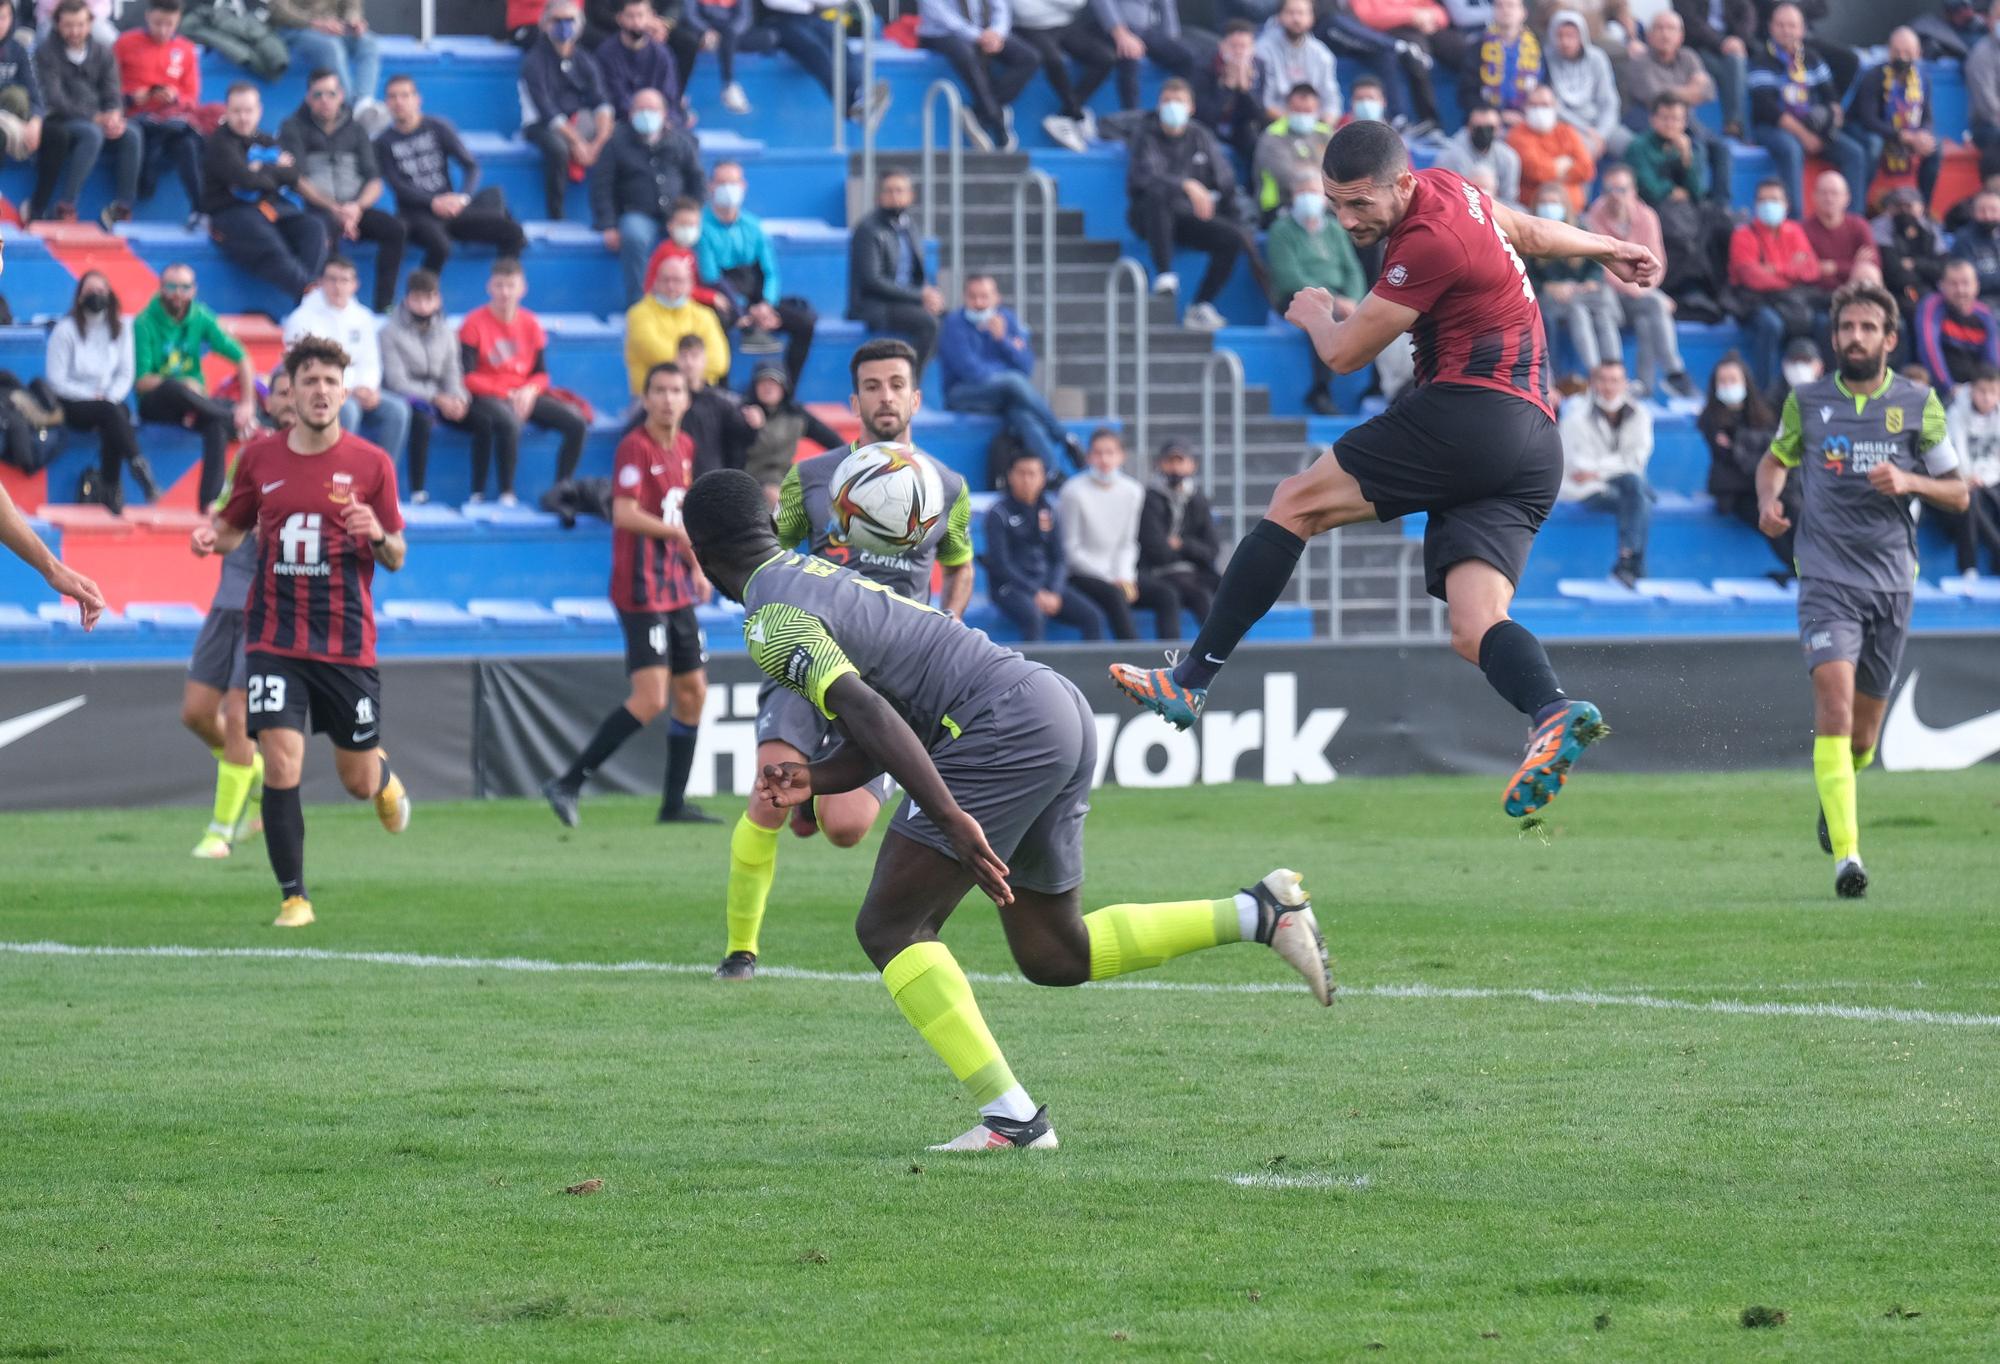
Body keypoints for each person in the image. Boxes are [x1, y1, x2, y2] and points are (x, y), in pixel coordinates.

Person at [685, 464, 1331, 1148]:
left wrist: (951, 818)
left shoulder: (770, 620)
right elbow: (885, 719)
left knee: (890, 928)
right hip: (1052, 706)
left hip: (1002, 727)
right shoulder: (815, 577)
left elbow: (871, 711)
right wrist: (815, 777)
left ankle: (1013, 1120)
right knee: (1054, 952)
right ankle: (1259, 912)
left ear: (698, 551)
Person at [1111, 121, 1663, 819]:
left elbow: (1344, 356)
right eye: (1335, 203)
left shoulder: (1427, 240)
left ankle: (1189, 679)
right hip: (1532, 444)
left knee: (1294, 503)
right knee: (1475, 624)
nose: (1345, 220)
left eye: (1359, 205)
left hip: (1471, 411)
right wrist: (1608, 247)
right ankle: (1551, 710)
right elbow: (1524, 229)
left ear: (1400, 185)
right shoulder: (1455, 189)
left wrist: (1315, 313)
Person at [714, 338, 974, 983]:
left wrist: (952, 620)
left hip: (892, 676)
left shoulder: (947, 486)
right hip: (810, 653)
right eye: (872, 385)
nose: (885, 396)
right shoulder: (815, 477)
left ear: (915, 396)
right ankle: (740, 952)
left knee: (846, 828)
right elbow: (774, 553)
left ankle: (816, 798)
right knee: (769, 793)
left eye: (896, 384)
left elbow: (958, 563)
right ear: (854, 399)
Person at [1754, 281, 1968, 898]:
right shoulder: (1808, 401)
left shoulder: (1919, 403)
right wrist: (1769, 499)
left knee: (1863, 739)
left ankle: (1836, 792)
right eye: (1847, 327)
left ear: (1889, 339)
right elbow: (1775, 460)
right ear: (1835, 334)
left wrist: (1909, 480)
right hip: (1825, 577)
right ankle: (1849, 858)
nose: (1855, 337)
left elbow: (1958, 491)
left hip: (1892, 583)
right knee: (1835, 709)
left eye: (1867, 328)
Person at [192, 335, 412, 929]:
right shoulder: (260, 458)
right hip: (275, 638)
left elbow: (397, 554)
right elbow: (235, 527)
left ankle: (384, 777)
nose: (320, 392)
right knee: (282, 763)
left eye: (330, 382)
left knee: (357, 782)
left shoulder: (373, 464)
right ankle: (295, 897)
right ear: (289, 389)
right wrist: (213, 537)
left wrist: (378, 536)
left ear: (345, 390)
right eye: (308, 381)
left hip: (344, 642)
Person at [543, 362, 717, 827]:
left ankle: (673, 804)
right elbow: (623, 513)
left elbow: (676, 514)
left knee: (694, 691)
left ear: (687, 399)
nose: (666, 399)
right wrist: (678, 535)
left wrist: (695, 567)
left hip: (674, 585)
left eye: (675, 390)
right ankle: (568, 781)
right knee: (651, 698)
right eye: (658, 390)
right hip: (639, 589)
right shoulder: (633, 447)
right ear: (646, 398)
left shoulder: (685, 447)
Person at [1126, 79, 1262, 332]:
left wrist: (1217, 201)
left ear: (1191, 107)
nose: (1172, 107)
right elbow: (1143, 177)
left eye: (1178, 102)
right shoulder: (1146, 134)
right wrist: (1186, 185)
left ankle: (1200, 305)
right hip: (1149, 216)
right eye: (1167, 101)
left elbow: (1224, 178)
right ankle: (1165, 273)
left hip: (1189, 216)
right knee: (1158, 194)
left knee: (1233, 238)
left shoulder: (1200, 136)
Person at [182, 463, 266, 862]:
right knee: (196, 713)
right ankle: (254, 770)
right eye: (281, 393)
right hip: (225, 602)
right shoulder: (252, 458)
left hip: (268, 608)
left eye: (290, 393)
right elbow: (221, 517)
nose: (287, 399)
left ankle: (220, 832)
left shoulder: (315, 463)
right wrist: (208, 534)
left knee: (239, 717)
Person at [459, 257, 589, 502]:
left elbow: (541, 373)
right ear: (489, 287)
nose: (505, 292)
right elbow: (467, 377)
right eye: (499, 285)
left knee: (577, 423)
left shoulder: (531, 323)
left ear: (523, 288)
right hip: (488, 394)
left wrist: (529, 390)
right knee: (509, 422)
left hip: (523, 393)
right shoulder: (473, 323)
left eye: (511, 285)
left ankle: (561, 488)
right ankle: (507, 492)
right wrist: (506, 393)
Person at [375, 74, 528, 277]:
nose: (399, 102)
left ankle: (502, 289)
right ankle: (421, 300)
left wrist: (462, 198)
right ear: (386, 103)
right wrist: (433, 202)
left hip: (452, 208)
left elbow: (471, 166)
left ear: (417, 99)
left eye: (405, 95)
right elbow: (397, 185)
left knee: (514, 233)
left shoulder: (438, 127)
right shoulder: (383, 142)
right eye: (393, 97)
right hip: (415, 215)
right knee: (441, 246)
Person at [280, 68, 405, 316]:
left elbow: (375, 180)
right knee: (320, 234)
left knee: (396, 230)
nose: (325, 100)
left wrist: (356, 208)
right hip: (319, 210)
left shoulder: (356, 129)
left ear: (341, 95)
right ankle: (323, 308)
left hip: (354, 208)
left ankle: (384, 305)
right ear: (308, 98)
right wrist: (334, 209)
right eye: (318, 94)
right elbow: (298, 180)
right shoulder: (293, 127)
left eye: (331, 93)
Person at [134, 262, 259, 508]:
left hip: (195, 405)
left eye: (185, 287)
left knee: (215, 426)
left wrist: (248, 403)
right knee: (175, 388)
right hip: (157, 404)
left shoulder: (200, 315)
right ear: (161, 288)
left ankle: (209, 504)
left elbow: (242, 357)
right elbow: (142, 382)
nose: (178, 293)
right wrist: (184, 383)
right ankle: (229, 415)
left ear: (194, 290)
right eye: (172, 286)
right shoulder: (144, 322)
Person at [938, 274, 1078, 474]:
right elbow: (971, 372)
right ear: (964, 297)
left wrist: (1003, 339)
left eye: (984, 296)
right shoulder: (954, 324)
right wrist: (1005, 374)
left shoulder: (1007, 320)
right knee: (1013, 382)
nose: (978, 303)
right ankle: (1064, 437)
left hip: (1003, 395)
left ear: (997, 298)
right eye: (973, 296)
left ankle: (1053, 472)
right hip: (962, 395)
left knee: (1020, 413)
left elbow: (1026, 366)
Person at [202, 83, 328, 303]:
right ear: (227, 111)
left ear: (259, 111)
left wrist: (261, 167)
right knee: (270, 244)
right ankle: (312, 297)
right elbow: (247, 181)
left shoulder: (265, 140)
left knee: (314, 229)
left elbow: (292, 173)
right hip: (230, 213)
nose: (243, 117)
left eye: (248, 111)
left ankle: (307, 295)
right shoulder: (219, 144)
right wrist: (273, 167)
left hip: (270, 208)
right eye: (237, 111)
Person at [699, 160, 817, 388]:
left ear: (743, 186)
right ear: (711, 186)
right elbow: (710, 276)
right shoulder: (702, 226)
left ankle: (786, 390)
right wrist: (743, 309)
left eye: (733, 182)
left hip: (757, 298)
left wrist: (766, 305)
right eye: (722, 182)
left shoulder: (753, 225)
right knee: (714, 322)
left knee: (805, 322)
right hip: (726, 299)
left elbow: (770, 271)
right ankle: (723, 394)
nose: (728, 188)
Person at [282, 257, 411, 466]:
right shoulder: (302, 318)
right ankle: (336, 474)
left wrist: (368, 387)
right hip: (321, 391)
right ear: (321, 282)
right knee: (348, 410)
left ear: (355, 285)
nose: (338, 287)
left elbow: (370, 360)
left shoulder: (363, 317)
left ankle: (383, 479)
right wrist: (347, 389)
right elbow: (305, 367)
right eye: (332, 280)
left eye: (344, 280)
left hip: (358, 390)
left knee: (397, 411)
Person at [1582, 165, 1696, 398]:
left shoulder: (1647, 217)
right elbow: (1601, 267)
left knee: (1650, 316)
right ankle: (1612, 378)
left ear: (1633, 191)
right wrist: (1641, 290)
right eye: (1610, 189)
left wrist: (1648, 289)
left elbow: (1657, 262)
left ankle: (1671, 374)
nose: (1616, 195)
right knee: (1610, 306)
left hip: (1639, 293)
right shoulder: (1593, 217)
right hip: (1610, 292)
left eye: (1622, 189)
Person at [1058, 427, 1181, 639]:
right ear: (1088, 457)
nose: (1104, 459)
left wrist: (1124, 575)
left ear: (1121, 456)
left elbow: (1128, 542)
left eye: (1110, 452)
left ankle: (1172, 666)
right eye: (1098, 453)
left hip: (1120, 572)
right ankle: (1131, 665)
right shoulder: (1072, 491)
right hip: (1083, 573)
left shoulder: (1133, 490)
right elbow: (1071, 550)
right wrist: (1110, 578)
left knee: (1167, 595)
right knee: (1115, 596)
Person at [1748, 2, 1867, 218]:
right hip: (1774, 128)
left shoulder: (1812, 58)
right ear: (1771, 28)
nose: (1787, 31)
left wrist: (1830, 123)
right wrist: (1804, 135)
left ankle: (1852, 222)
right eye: (1781, 25)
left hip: (1811, 127)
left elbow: (1831, 97)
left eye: (1792, 26)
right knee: (1791, 149)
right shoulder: (1761, 59)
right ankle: (1795, 223)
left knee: (1855, 153)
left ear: (1802, 29)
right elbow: (1769, 110)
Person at [380, 270, 486, 507]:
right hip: (409, 397)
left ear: (438, 299)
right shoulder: (389, 332)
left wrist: (458, 399)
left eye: (429, 298)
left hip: (442, 396)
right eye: (417, 299)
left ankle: (479, 493)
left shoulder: (447, 332)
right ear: (407, 299)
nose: (423, 305)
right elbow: (397, 381)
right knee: (421, 419)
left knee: (484, 420)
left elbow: (453, 371)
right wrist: (438, 398)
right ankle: (418, 492)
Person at [30, 0, 140, 227]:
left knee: (132, 134)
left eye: (80, 25)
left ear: (90, 23)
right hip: (61, 120)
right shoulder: (46, 53)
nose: (74, 31)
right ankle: (66, 205)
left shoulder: (102, 52)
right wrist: (94, 117)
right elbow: (55, 99)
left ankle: (123, 207)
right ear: (57, 25)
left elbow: (112, 90)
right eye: (69, 25)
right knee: (92, 134)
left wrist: (114, 114)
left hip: (98, 118)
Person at [592, 87, 704, 307]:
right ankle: (639, 304)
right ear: (631, 113)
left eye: (652, 109)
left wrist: (696, 211)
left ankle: (696, 304)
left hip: (678, 215)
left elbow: (697, 178)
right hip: (637, 213)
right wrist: (608, 224)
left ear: (664, 113)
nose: (646, 114)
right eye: (641, 109)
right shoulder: (616, 143)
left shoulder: (680, 142)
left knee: (705, 238)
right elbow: (601, 186)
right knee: (634, 236)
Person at [1267, 167, 1365, 415]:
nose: (1309, 197)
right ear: (1293, 195)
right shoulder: (1281, 230)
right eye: (1304, 192)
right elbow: (1290, 276)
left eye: (1315, 192)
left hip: (1340, 297)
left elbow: (1353, 270)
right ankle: (1320, 392)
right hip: (1297, 297)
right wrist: (1332, 301)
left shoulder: (1334, 229)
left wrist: (1352, 299)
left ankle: (1375, 388)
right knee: (1319, 315)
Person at [48, 270, 146, 514]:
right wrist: (91, 396)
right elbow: (56, 380)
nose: (96, 296)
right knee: (112, 414)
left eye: (101, 291)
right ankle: (131, 469)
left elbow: (125, 374)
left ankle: (112, 485)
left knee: (115, 413)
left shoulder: (122, 329)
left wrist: (108, 397)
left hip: (108, 401)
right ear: (79, 297)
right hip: (72, 401)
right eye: (90, 291)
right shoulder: (65, 330)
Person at [984, 448, 1106, 640]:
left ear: (1042, 478)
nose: (1027, 480)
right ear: (1010, 476)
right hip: (1010, 587)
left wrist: (1055, 591)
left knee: (1093, 616)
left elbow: (1059, 558)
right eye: (1021, 473)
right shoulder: (998, 514)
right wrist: (1036, 592)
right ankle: (1030, 671)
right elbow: (1001, 564)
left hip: (1047, 586)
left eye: (1033, 474)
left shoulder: (1050, 510)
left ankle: (1092, 669)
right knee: (1033, 616)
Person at [1557, 357, 1654, 586]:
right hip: (1584, 488)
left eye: (1615, 380)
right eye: (1603, 380)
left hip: (1618, 482)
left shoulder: (1640, 414)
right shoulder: (1575, 417)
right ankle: (1632, 563)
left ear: (1625, 384)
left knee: (1633, 485)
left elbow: (1637, 460)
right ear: (1593, 383)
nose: (1609, 387)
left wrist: (1598, 470)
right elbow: (1578, 467)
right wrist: (1613, 467)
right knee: (1640, 498)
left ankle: (1627, 563)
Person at [1620, 9, 1732, 199]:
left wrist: (1678, 92)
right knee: (1697, 149)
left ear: (1680, 36)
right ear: (1648, 35)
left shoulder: (1688, 57)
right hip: (1651, 122)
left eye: (1671, 29)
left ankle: (1720, 205)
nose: (1665, 34)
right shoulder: (1640, 62)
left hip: (1685, 120)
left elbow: (1708, 91)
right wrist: (1692, 89)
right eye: (1659, 28)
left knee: (1722, 149)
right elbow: (1657, 98)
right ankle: (1698, 201)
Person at [1698, 350, 1794, 573]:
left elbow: (1773, 451)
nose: (1727, 385)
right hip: (1737, 492)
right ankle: (1795, 568)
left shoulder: (1764, 413)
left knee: (1795, 507)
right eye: (1722, 381)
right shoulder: (1710, 418)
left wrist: (1738, 444)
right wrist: (1755, 453)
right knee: (1769, 516)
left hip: (1768, 486)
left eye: (1732, 380)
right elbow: (1730, 460)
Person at [114, 0, 208, 224]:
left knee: (188, 143)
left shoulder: (185, 50)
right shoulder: (125, 43)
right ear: (147, 17)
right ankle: (130, 199)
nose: (164, 30)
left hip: (170, 122)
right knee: (146, 132)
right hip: (135, 118)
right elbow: (107, 89)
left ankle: (200, 210)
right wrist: (132, 97)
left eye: (170, 24)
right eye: (158, 23)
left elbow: (191, 97)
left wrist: (174, 96)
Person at [520, 0, 614, 221]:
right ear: (544, 24)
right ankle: (556, 215)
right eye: (557, 20)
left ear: (580, 25)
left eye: (569, 20)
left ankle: (609, 213)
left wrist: (599, 142)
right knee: (558, 149)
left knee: (617, 140)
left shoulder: (585, 59)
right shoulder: (534, 62)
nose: (564, 26)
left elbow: (601, 102)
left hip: (580, 121)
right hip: (541, 125)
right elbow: (547, 111)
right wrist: (578, 143)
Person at [847, 170, 946, 366]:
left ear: (911, 195)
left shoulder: (909, 226)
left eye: (900, 190)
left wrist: (929, 297)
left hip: (905, 301)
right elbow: (872, 280)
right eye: (889, 191)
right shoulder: (868, 229)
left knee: (949, 318)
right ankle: (908, 385)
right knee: (928, 324)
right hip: (874, 303)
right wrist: (919, 296)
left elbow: (916, 274)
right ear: (879, 196)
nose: (895, 196)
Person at [1730, 178, 1822, 386]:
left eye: (1774, 199)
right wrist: (1791, 272)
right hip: (1755, 302)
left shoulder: (1795, 231)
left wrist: (1774, 270)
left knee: (1823, 322)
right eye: (1762, 200)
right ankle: (1764, 393)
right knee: (1771, 325)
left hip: (1790, 301)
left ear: (1786, 205)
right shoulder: (1743, 234)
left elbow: (1812, 270)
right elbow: (1753, 278)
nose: (1768, 205)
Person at [917, 0, 1039, 153]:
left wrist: (997, 33)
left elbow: (1001, 8)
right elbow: (940, 15)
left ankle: (980, 112)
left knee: (1029, 58)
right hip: (941, 32)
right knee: (966, 56)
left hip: (986, 32)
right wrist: (978, 36)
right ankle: (996, 118)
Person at [1529, 184, 1620, 377]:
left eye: (1554, 203)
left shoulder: (1580, 228)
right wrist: (1548, 286)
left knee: (1602, 312)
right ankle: (1596, 372)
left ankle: (1614, 368)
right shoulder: (1529, 233)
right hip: (1548, 297)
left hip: (1580, 293)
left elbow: (1596, 264)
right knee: (1577, 310)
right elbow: (1525, 273)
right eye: (1544, 203)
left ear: (1565, 205)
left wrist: (1591, 281)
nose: (1548, 207)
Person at [757, 0, 890, 127]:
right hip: (778, 20)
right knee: (817, 51)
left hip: (810, 17)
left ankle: (860, 96)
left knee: (839, 43)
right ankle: (852, 107)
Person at [1853, 28, 1940, 210]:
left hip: (1907, 133)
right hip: (1877, 132)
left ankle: (1922, 208)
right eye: (1897, 52)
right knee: (1873, 144)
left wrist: (1924, 135)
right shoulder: (1874, 76)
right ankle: (1859, 207)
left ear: (1918, 54)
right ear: (1889, 51)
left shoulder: (1923, 78)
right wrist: (1902, 136)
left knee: (1935, 148)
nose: (1901, 57)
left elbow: (1927, 117)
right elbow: (1869, 119)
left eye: (1907, 53)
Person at [1139, 439, 1220, 626]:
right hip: (1157, 573)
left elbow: (1212, 550)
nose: (1175, 468)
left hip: (1194, 571)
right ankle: (1184, 654)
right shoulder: (1149, 499)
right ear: (1159, 464)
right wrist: (1191, 550)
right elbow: (1156, 550)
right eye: (1170, 461)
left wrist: (1182, 544)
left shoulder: (1199, 500)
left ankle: (1240, 650)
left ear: (1192, 465)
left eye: (1180, 461)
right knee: (1195, 595)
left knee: (1231, 589)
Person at [1016, 0, 1115, 153]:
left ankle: (1066, 114)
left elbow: (1077, 3)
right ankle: (1076, 113)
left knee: (1105, 58)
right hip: (1029, 28)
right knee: (1054, 60)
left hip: (1065, 25)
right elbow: (1023, 10)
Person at [268, 0, 382, 129]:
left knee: (367, 43)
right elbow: (278, 10)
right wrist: (314, 23)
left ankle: (363, 104)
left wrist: (353, 21)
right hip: (294, 28)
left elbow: (352, 5)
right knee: (331, 47)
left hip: (334, 27)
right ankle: (349, 109)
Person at [627, 254, 729, 394]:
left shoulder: (705, 315)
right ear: (655, 282)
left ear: (690, 284)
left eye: (678, 280)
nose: (671, 286)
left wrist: (685, 373)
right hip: (653, 399)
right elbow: (653, 353)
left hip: (701, 394)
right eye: (665, 280)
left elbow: (719, 361)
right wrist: (694, 368)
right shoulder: (638, 314)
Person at [738, 363, 843, 499]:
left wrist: (852, 456)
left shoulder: (796, 415)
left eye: (774, 382)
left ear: (784, 387)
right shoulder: (742, 412)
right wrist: (753, 428)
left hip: (785, 476)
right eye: (763, 382)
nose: (768, 387)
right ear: (754, 387)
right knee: (775, 496)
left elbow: (832, 440)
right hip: (750, 479)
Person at [1915, 259, 2000, 402]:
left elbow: (1992, 360)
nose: (1960, 290)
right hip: (1941, 391)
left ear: (1976, 286)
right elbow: (1929, 350)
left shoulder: (1985, 315)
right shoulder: (1932, 306)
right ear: (1941, 285)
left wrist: (1989, 390)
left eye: (1965, 283)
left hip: (1976, 393)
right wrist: (1949, 388)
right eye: (1953, 284)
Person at [1943, 363, 2000, 574]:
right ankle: (1969, 568)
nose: (1987, 397)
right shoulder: (1957, 411)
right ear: (1972, 390)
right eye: (1982, 391)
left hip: (1989, 478)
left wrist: (1985, 477)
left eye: (1993, 392)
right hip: (1961, 479)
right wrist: (1967, 476)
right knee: (1970, 498)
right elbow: (1956, 450)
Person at [1542, 8, 1621, 160]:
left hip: (1599, 123)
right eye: (1560, 36)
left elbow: (1609, 101)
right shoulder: (1546, 59)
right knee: (1583, 150)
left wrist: (1600, 133)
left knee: (1631, 146)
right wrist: (1586, 131)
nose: (1565, 42)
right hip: (1566, 125)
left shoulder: (1597, 58)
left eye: (1571, 36)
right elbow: (1554, 107)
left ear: (1581, 36)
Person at [1509, 83, 1594, 218]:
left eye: (1545, 105)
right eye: (1534, 105)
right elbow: (1535, 170)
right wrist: (1564, 165)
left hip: (1573, 215)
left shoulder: (1567, 131)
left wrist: (1549, 168)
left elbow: (1586, 169)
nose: (1539, 109)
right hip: (1532, 214)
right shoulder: (1517, 135)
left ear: (1554, 106)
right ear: (1525, 107)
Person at [1252, 83, 1332, 224]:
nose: (1302, 115)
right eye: (1297, 110)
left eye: (1307, 111)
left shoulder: (1325, 134)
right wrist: (1317, 175)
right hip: (1280, 204)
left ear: (1317, 110)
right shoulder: (1272, 135)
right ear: (1287, 109)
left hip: (1323, 201)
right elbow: (1288, 177)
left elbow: (1338, 171)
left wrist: (1305, 170)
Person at [677, 333, 755, 476]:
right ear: (676, 360)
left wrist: (754, 425)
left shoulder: (720, 402)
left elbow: (743, 438)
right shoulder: (665, 401)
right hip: (675, 479)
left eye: (694, 356)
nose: (689, 363)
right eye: (683, 356)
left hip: (710, 480)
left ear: (704, 360)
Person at [1097, 0, 1198, 111]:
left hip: (1143, 30)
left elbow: (1167, 8)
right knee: (1130, 55)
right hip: (1111, 29)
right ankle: (1132, 116)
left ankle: (1176, 110)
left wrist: (1170, 42)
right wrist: (1120, 33)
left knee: (1185, 58)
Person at [1875, 185, 1947, 337]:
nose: (1904, 211)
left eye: (1909, 206)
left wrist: (1914, 263)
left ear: (1921, 207)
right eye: (1899, 206)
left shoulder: (1931, 229)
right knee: (1912, 310)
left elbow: (1942, 269)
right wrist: (1925, 269)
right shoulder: (1881, 228)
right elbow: (1893, 272)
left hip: (1930, 289)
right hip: (1895, 291)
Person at [1194, 19, 1268, 165]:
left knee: (1258, 143)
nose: (1239, 52)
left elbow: (1258, 115)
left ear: (1252, 49)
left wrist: (1244, 89)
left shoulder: (1259, 66)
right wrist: (1227, 87)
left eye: (1244, 47)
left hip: (1239, 126)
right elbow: (1203, 115)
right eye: (1234, 46)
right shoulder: (1204, 65)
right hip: (1209, 126)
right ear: (1222, 46)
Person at [594, 0, 683, 122]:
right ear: (620, 18)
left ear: (651, 16)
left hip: (659, 121)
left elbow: (669, 95)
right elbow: (613, 98)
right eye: (630, 16)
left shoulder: (662, 54)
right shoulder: (605, 54)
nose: (636, 23)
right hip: (621, 122)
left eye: (640, 15)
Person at [1673, 0, 1753, 136]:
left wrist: (1738, 40)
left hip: (1730, 47)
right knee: (1725, 70)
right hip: (1699, 46)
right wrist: (1721, 42)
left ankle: (1733, 123)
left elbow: (1748, 13)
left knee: (1736, 61)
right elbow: (1690, 21)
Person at [1255, 0, 1339, 119]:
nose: (1296, 19)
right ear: (1279, 16)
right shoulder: (1262, 50)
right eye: (1290, 13)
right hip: (1273, 124)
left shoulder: (1322, 55)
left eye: (1301, 13)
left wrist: (1323, 125)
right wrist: (1293, 122)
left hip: (1313, 125)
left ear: (1312, 18)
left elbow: (1331, 101)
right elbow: (1264, 102)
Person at [1459, 0, 1540, 123]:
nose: (1505, 11)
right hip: (1489, 121)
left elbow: (1544, 88)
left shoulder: (1537, 46)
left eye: (1511, 6)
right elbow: (1467, 93)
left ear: (1524, 12)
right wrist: (1498, 113)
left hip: (1529, 121)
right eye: (1499, 6)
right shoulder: (1478, 47)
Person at [1435, 104, 1521, 208]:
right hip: (1459, 210)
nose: (1484, 133)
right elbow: (1441, 196)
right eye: (1478, 128)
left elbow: (1509, 199)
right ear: (1469, 128)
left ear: (1498, 129)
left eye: (1490, 128)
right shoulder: (1449, 156)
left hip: (1498, 213)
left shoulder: (1508, 157)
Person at [676, 0, 753, 116]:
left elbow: (744, 18)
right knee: (687, 41)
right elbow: (690, 15)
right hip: (701, 32)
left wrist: (729, 34)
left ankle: (729, 85)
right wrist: (705, 30)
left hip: (730, 34)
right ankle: (679, 93)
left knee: (767, 38)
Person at [0, 0, 44, 176]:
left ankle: (38, 204)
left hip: (12, 115)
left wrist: (36, 121)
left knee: (57, 135)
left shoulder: (17, 49)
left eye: (3, 17)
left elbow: (35, 91)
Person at [1953, 190, 2000, 307]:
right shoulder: (1964, 239)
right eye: (1982, 210)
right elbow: (1969, 280)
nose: (1988, 215)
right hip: (1982, 301)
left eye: (1993, 210)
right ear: (1973, 212)